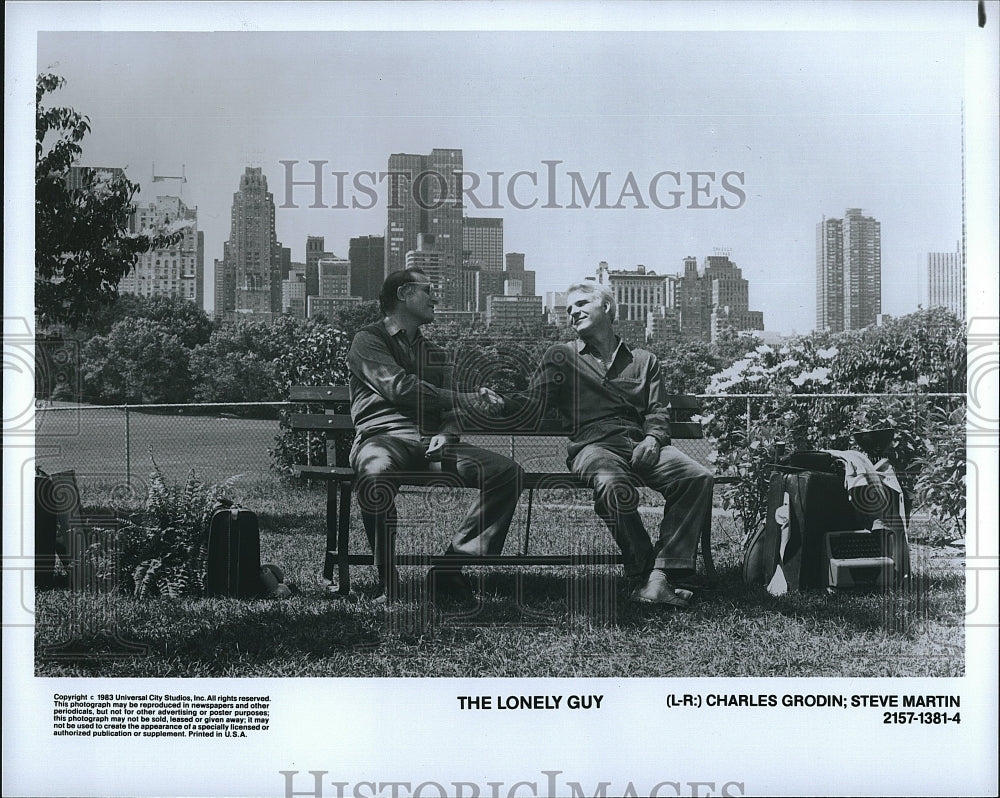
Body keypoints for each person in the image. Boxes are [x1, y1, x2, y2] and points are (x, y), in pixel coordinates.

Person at [501, 281, 713, 607]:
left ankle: (660, 577)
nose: (573, 312)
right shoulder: (561, 357)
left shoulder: (644, 360)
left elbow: (658, 411)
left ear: (608, 309)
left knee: (696, 477)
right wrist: (488, 401)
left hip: (641, 442)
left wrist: (655, 439)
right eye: (569, 309)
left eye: (582, 303)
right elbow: (533, 401)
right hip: (593, 445)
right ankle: (650, 576)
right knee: (612, 482)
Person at [347, 268, 523, 602]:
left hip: (431, 446)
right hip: (382, 439)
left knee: (507, 473)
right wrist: (467, 398)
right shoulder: (367, 340)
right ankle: (389, 581)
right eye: (428, 290)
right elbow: (399, 388)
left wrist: (449, 432)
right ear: (402, 294)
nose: (435, 297)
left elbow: (452, 411)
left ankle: (449, 570)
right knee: (374, 475)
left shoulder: (436, 353)